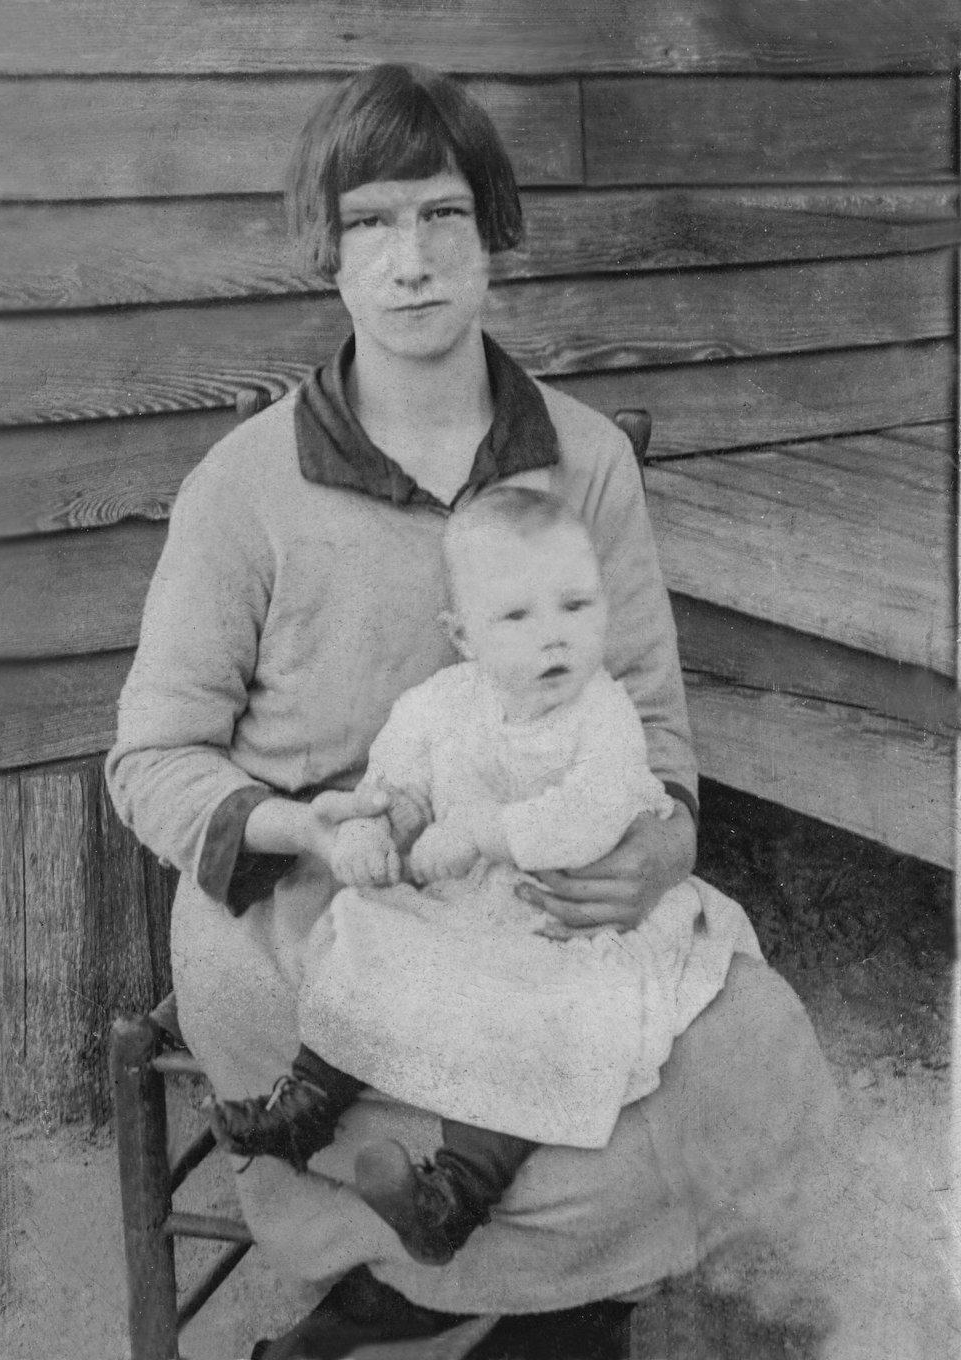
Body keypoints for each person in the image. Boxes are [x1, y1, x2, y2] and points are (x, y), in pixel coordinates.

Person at [106, 60, 932, 1360]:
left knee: (753, 1049)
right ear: (330, 249)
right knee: (516, 1122)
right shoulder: (246, 486)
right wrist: (308, 833)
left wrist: (657, 845)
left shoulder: (586, 461)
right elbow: (150, 760)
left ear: (492, 233)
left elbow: (654, 743)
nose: (411, 259)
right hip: (310, 913)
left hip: (538, 899)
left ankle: (453, 1320)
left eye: (441, 215)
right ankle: (448, 1317)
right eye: (372, 222)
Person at [206, 485, 762, 1269]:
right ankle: (304, 1105)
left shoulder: (603, 714)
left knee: (537, 1023)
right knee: (370, 934)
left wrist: (486, 834)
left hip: (562, 918)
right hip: (467, 907)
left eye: (577, 607)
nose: (555, 640)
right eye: (518, 618)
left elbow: (594, 811)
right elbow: (400, 784)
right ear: (461, 637)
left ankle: (453, 1195)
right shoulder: (440, 704)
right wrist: (381, 828)